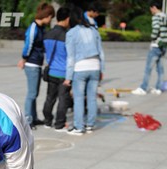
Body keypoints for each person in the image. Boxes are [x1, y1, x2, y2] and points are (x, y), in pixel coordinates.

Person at [64, 6, 104, 135]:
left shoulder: (71, 33)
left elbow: (70, 57)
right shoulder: (94, 30)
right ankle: (90, 125)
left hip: (80, 67)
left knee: (79, 98)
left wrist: (68, 76)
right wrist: (101, 69)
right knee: (92, 97)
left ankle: (78, 127)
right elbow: (101, 52)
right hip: (95, 66)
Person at [18, 2, 55, 129]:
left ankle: (34, 117)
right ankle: (28, 120)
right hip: (32, 64)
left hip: (37, 63)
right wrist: (23, 58)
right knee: (32, 94)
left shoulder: (41, 28)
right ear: (46, 16)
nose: (50, 20)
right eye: (51, 17)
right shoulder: (33, 28)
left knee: (35, 93)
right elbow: (28, 45)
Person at [132, 0, 167, 96]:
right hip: (164, 45)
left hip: (156, 45)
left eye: (151, 8)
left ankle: (143, 88)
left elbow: (156, 29)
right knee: (160, 69)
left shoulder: (156, 17)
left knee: (148, 69)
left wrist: (153, 37)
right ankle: (158, 89)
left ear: (154, 7)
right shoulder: (166, 16)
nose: (150, 11)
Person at [43, 6, 71, 131]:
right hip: (63, 73)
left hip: (51, 72)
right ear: (67, 19)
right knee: (63, 99)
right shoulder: (67, 36)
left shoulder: (47, 34)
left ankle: (47, 121)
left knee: (50, 98)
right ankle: (59, 124)